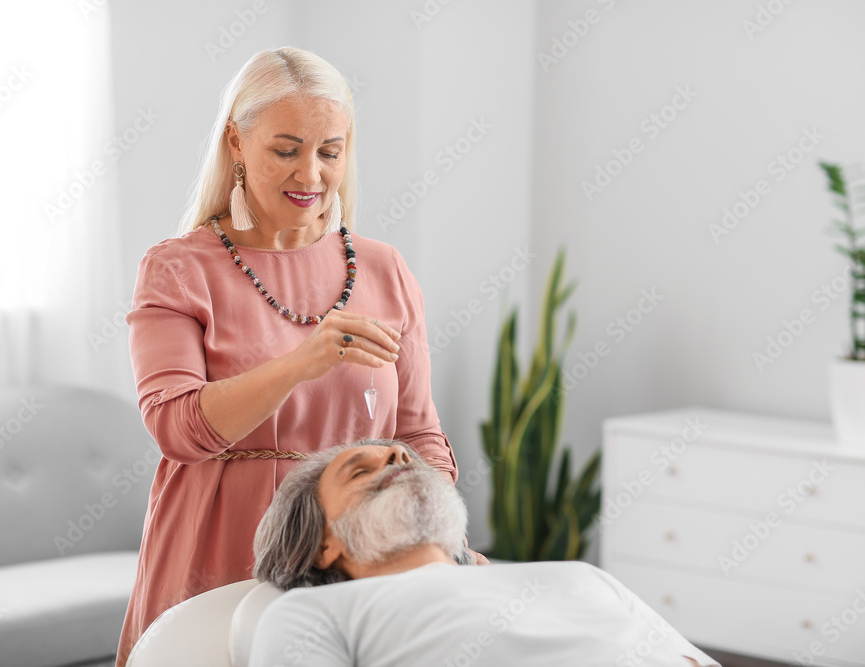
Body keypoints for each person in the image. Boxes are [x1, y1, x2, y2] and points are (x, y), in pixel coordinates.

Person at [115, 47, 475, 666]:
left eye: (329, 152)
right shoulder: (178, 268)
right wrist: (301, 363)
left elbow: (419, 435)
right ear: (236, 141)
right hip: (216, 538)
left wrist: (441, 545)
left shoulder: (383, 268)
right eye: (286, 150)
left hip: (356, 549)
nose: (310, 174)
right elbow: (176, 428)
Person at [249, 439, 722, 667]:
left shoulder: (579, 575)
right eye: (359, 471)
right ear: (322, 545)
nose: (398, 456)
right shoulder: (315, 613)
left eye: (405, 457)